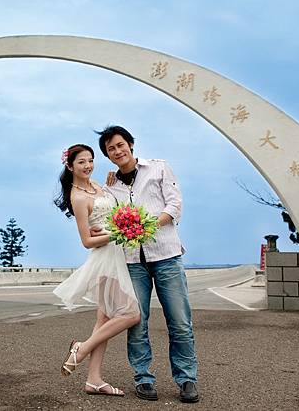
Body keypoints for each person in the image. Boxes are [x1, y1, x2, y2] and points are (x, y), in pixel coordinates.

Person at [95, 125, 199, 403]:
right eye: (111, 149)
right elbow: (107, 220)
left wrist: (148, 224)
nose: (117, 151)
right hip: (131, 261)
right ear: (108, 156)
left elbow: (175, 205)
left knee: (179, 321)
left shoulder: (158, 168)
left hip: (166, 255)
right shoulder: (110, 187)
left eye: (120, 145)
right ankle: (143, 377)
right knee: (136, 321)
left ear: (130, 144)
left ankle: (187, 379)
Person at [53, 143, 140, 397]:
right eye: (81, 162)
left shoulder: (98, 186)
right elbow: (87, 241)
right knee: (131, 314)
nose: (88, 165)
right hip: (104, 259)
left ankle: (93, 380)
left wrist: (110, 185)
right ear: (70, 166)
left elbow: (110, 208)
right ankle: (80, 349)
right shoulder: (77, 196)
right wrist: (118, 233)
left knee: (103, 319)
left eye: (90, 160)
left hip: (116, 256)